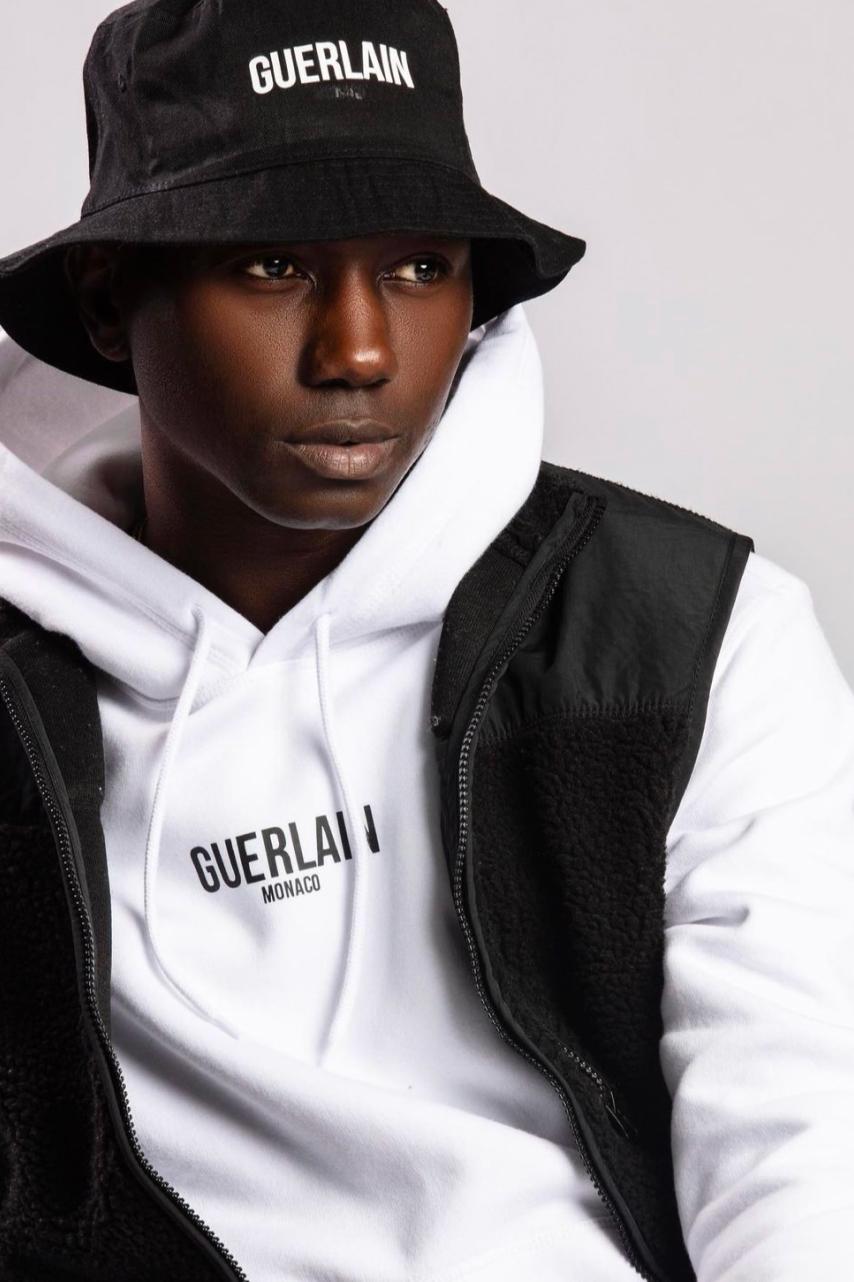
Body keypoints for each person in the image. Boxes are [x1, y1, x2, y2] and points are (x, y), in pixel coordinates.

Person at [0, 1, 852, 1280]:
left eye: (416, 269)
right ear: (110, 299)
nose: (359, 350)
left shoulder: (685, 634)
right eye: (272, 266)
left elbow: (797, 1143)